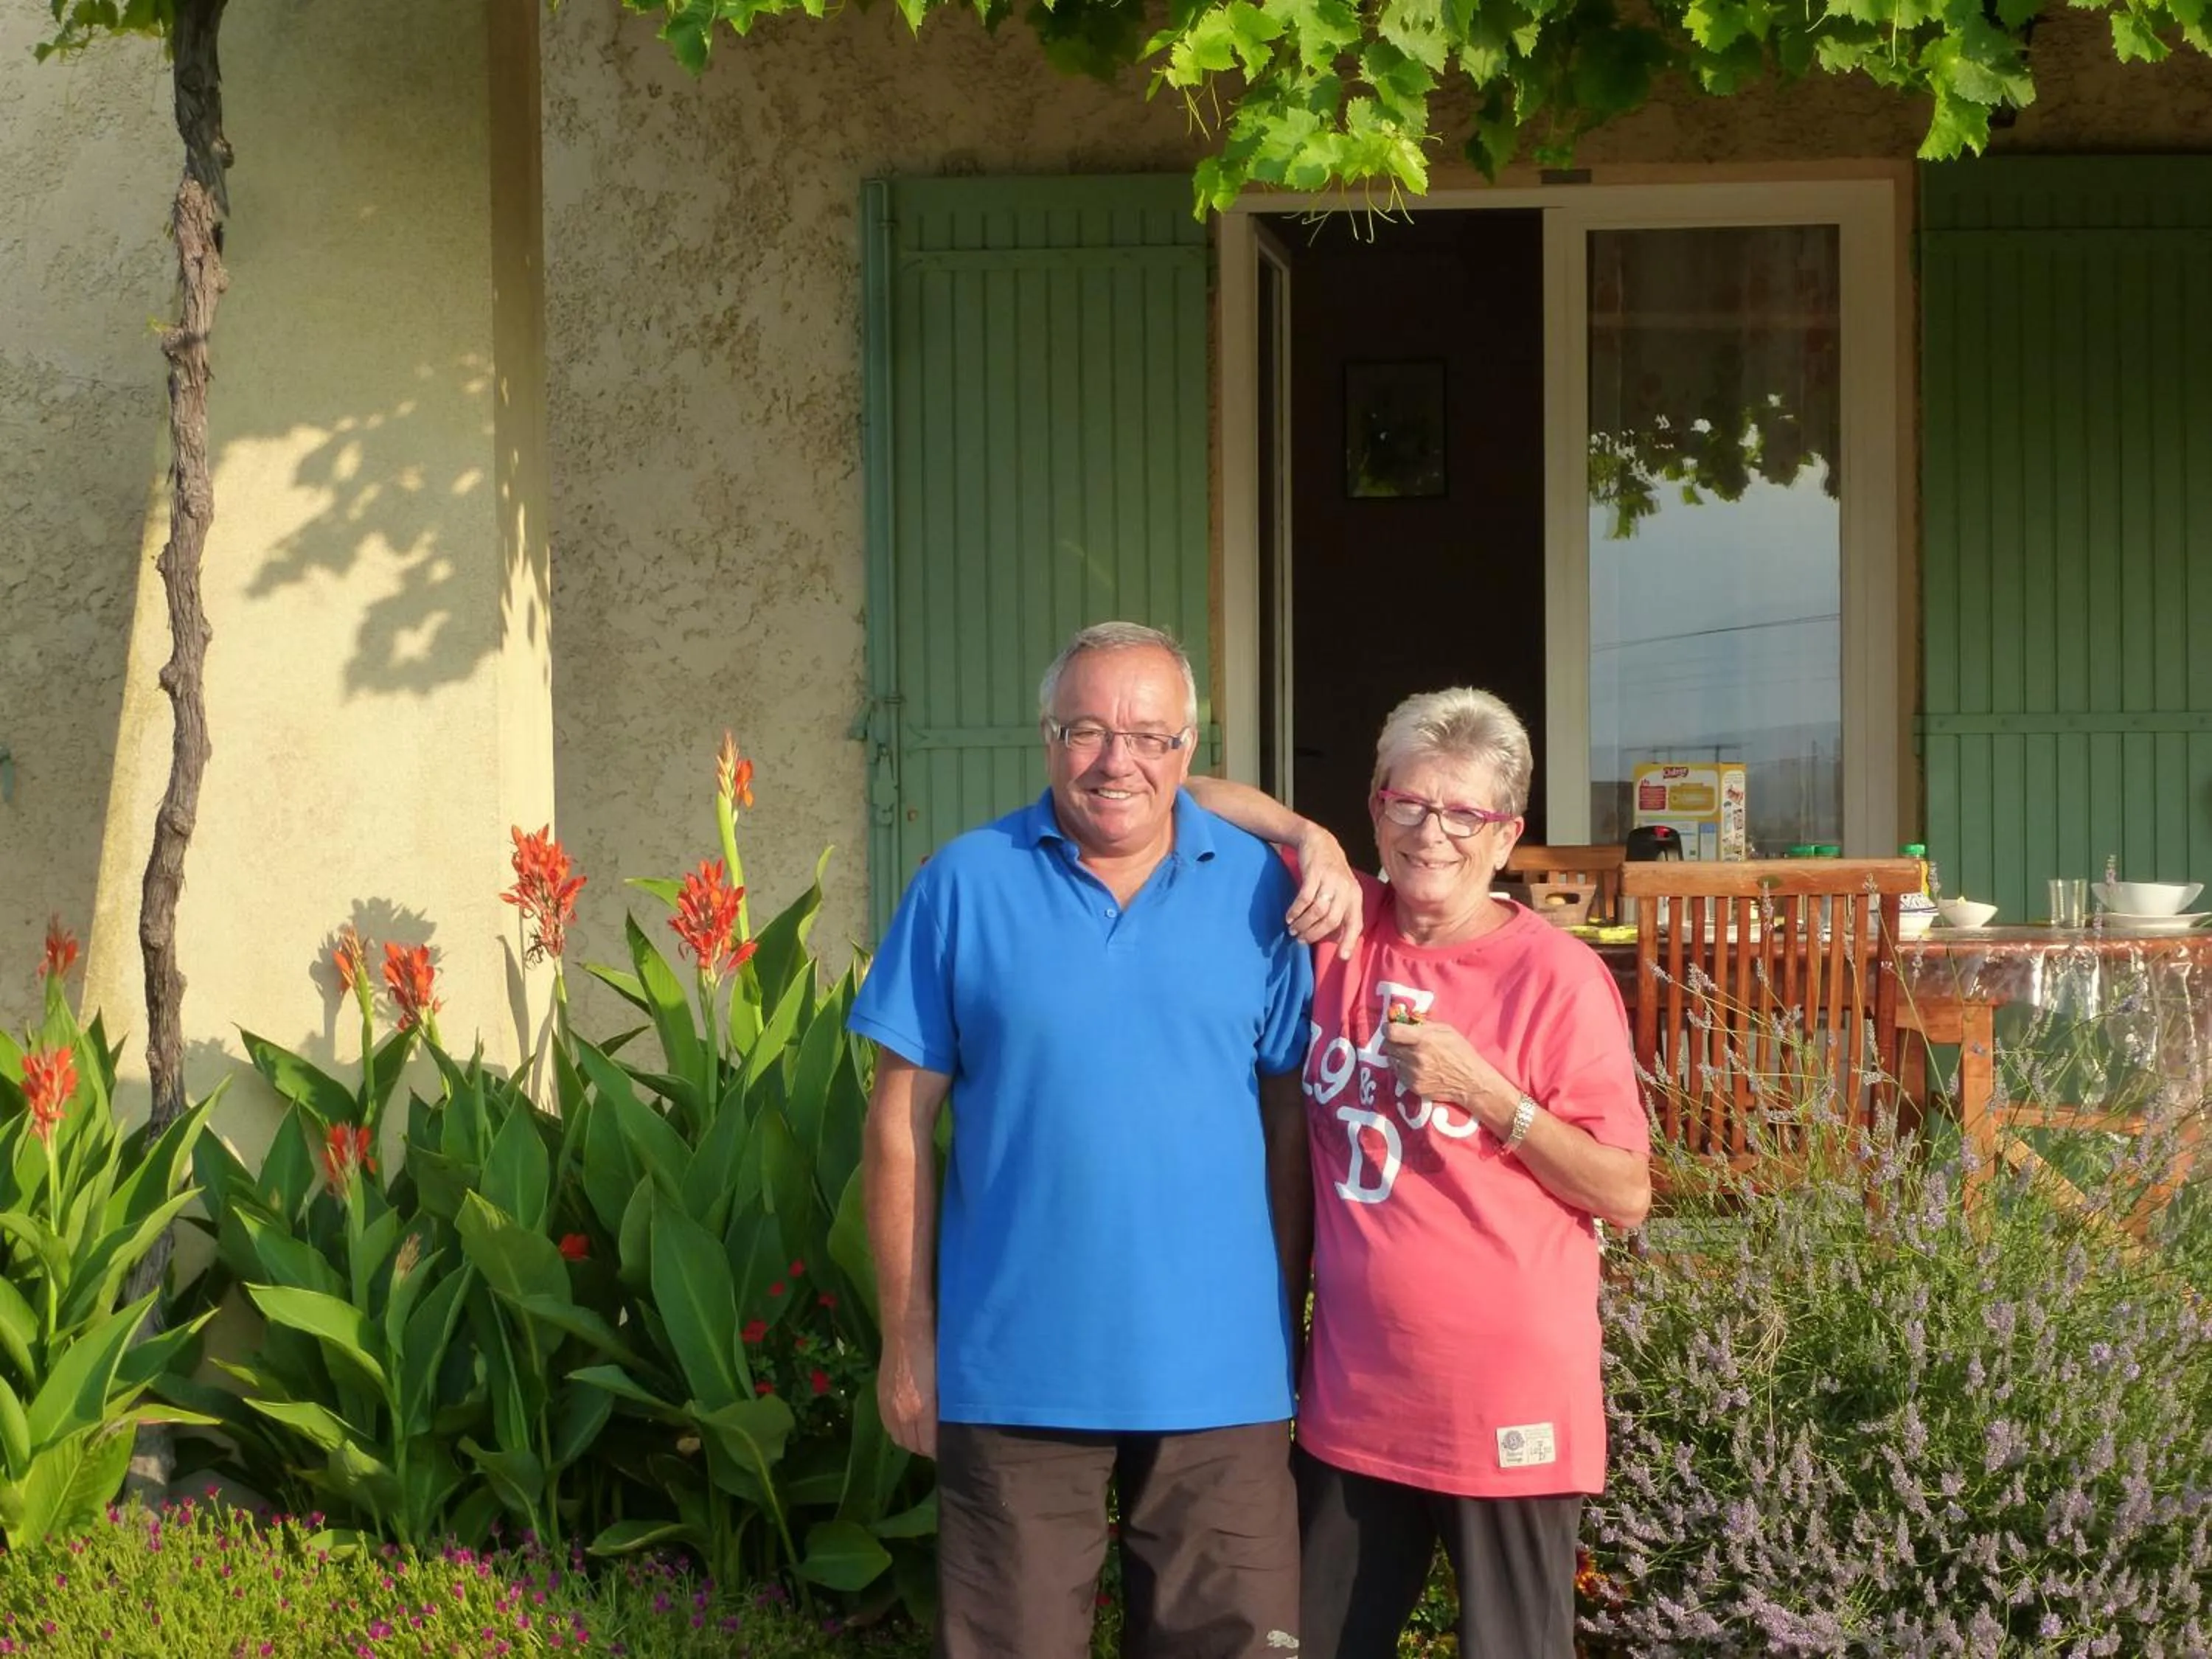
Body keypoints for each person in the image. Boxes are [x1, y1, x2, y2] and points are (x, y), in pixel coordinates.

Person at [850, 621, 1336, 1659]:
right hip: (1014, 1372)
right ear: (1046, 737)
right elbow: (898, 1119)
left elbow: (1288, 1113)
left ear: (1187, 749)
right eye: (1086, 729)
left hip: (1221, 1378)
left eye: (1148, 735)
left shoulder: (1262, 892)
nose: (1117, 759)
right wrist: (906, 1335)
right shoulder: (962, 885)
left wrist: (1282, 1316)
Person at [1189, 687, 1652, 1659]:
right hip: (1356, 1405)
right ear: (1376, 804)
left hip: (1508, 1406)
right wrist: (1300, 831)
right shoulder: (1339, 927)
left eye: (1463, 813)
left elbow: (1624, 1190)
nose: (1430, 832)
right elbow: (1174, 793)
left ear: (1505, 834)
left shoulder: (1556, 976)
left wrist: (1491, 1094)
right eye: (1407, 802)